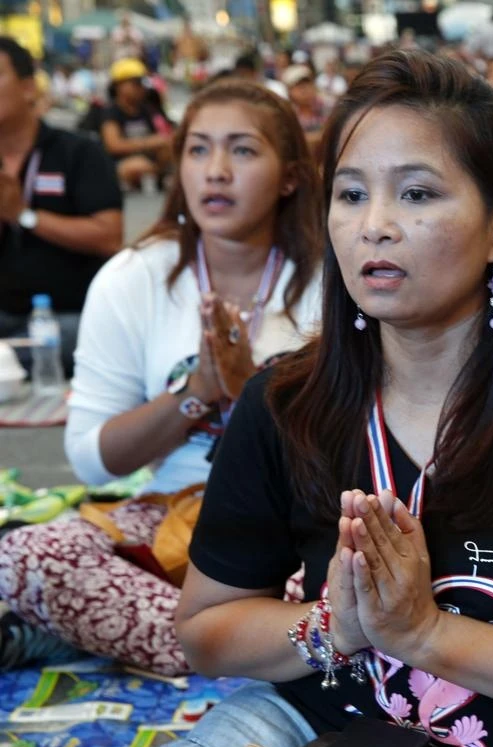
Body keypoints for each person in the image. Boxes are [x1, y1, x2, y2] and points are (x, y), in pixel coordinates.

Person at [0, 49, 493, 747]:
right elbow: (206, 630)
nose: (375, 227)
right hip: (301, 730)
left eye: (417, 194)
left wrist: (426, 634)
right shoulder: (286, 402)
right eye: (352, 194)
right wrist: (334, 628)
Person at [0, 80, 324, 676]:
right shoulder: (135, 277)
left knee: (344, 593)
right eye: (198, 150)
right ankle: (257, 653)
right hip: (173, 521)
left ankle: (209, 641)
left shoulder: (335, 281)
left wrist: (250, 388)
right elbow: (94, 462)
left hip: (299, 526)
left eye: (243, 151)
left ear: (290, 177)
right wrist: (196, 394)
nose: (216, 171)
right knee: (25, 554)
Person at [0, 37, 122, 377]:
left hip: (67, 315)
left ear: (28, 88)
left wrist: (23, 215)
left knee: (75, 338)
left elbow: (110, 236)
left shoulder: (77, 153)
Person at [100, 58, 172, 190]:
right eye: (135, 83)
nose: (141, 88)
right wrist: (148, 143)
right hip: (118, 165)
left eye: (142, 83)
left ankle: (158, 176)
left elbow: (161, 138)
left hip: (148, 159)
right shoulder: (111, 112)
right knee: (136, 166)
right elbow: (113, 145)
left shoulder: (146, 109)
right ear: (119, 86)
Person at [282, 64, 326, 150]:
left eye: (308, 84)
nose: (305, 90)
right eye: (299, 86)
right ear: (289, 91)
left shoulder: (327, 106)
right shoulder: (287, 114)